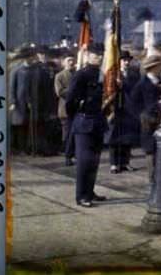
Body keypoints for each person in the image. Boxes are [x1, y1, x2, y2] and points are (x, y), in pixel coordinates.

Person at [65, 43, 108, 207]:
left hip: (98, 121)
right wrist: (76, 117)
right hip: (84, 122)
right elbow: (70, 100)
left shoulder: (103, 74)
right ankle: (81, 196)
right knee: (84, 161)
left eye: (101, 54)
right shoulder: (81, 75)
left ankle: (90, 191)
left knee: (94, 161)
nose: (100, 57)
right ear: (88, 56)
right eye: (96, 55)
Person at [132, 55, 161, 193]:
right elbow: (133, 102)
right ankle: (153, 179)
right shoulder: (142, 84)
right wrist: (142, 115)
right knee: (150, 150)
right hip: (148, 120)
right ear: (154, 67)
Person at [106, 50, 141, 174]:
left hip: (129, 109)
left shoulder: (134, 74)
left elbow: (137, 90)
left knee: (127, 138)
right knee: (114, 138)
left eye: (128, 60)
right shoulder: (113, 74)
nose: (126, 62)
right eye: (123, 60)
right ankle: (114, 163)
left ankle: (125, 162)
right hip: (116, 109)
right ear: (119, 61)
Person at [9, 45, 35, 154]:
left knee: (26, 126)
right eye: (30, 57)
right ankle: (17, 148)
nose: (32, 59)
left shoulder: (33, 70)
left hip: (29, 102)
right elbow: (12, 86)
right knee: (18, 125)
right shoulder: (17, 70)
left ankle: (25, 147)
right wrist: (13, 101)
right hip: (18, 102)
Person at [54, 51, 76, 165]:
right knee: (67, 134)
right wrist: (73, 90)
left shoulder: (77, 74)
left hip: (77, 109)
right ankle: (68, 156)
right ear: (63, 63)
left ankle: (75, 154)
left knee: (76, 133)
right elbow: (59, 92)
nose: (71, 63)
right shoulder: (59, 76)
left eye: (72, 60)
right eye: (68, 60)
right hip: (65, 109)